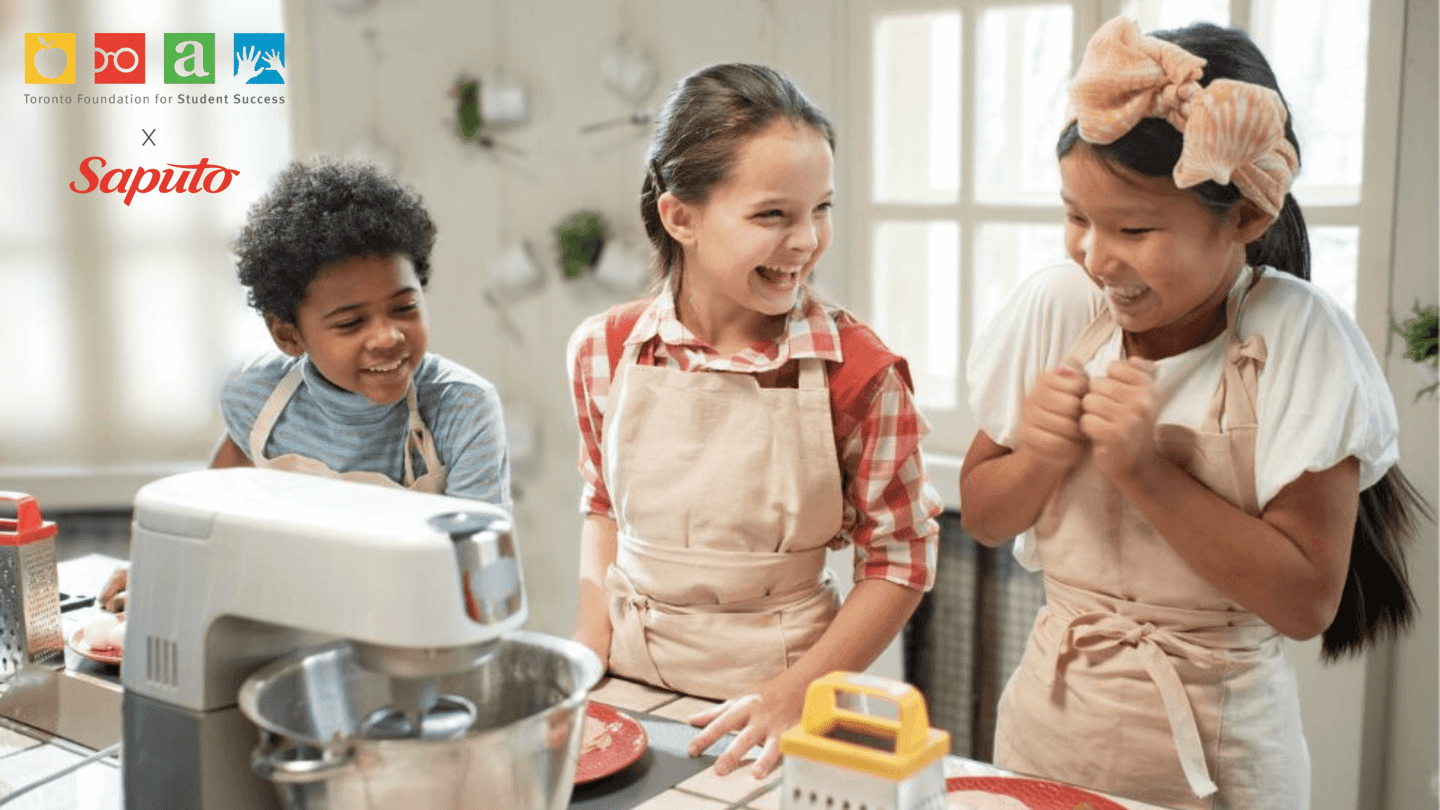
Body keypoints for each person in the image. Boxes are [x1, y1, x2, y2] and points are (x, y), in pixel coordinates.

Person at [960, 17, 1426, 810]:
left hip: (1221, 766)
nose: (1097, 257)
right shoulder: (1058, 306)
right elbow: (981, 515)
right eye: (1078, 217)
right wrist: (1039, 456)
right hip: (1047, 735)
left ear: (1245, 218)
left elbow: (1306, 599)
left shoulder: (1298, 338)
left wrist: (1145, 473)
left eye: (1134, 229)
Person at [566, 63, 941, 779]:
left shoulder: (859, 372)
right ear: (682, 217)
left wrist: (792, 696)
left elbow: (902, 559)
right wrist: (587, 645)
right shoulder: (602, 351)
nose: (806, 241)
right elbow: (602, 504)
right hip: (626, 693)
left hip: (781, 709)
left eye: (820, 209)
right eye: (774, 215)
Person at [101, 156, 511, 612]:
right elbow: (214, 511)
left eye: (404, 307)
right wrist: (163, 569)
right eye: (351, 322)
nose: (387, 337)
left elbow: (481, 572)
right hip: (294, 621)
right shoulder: (255, 398)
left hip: (424, 628)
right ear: (289, 334)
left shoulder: (463, 407)